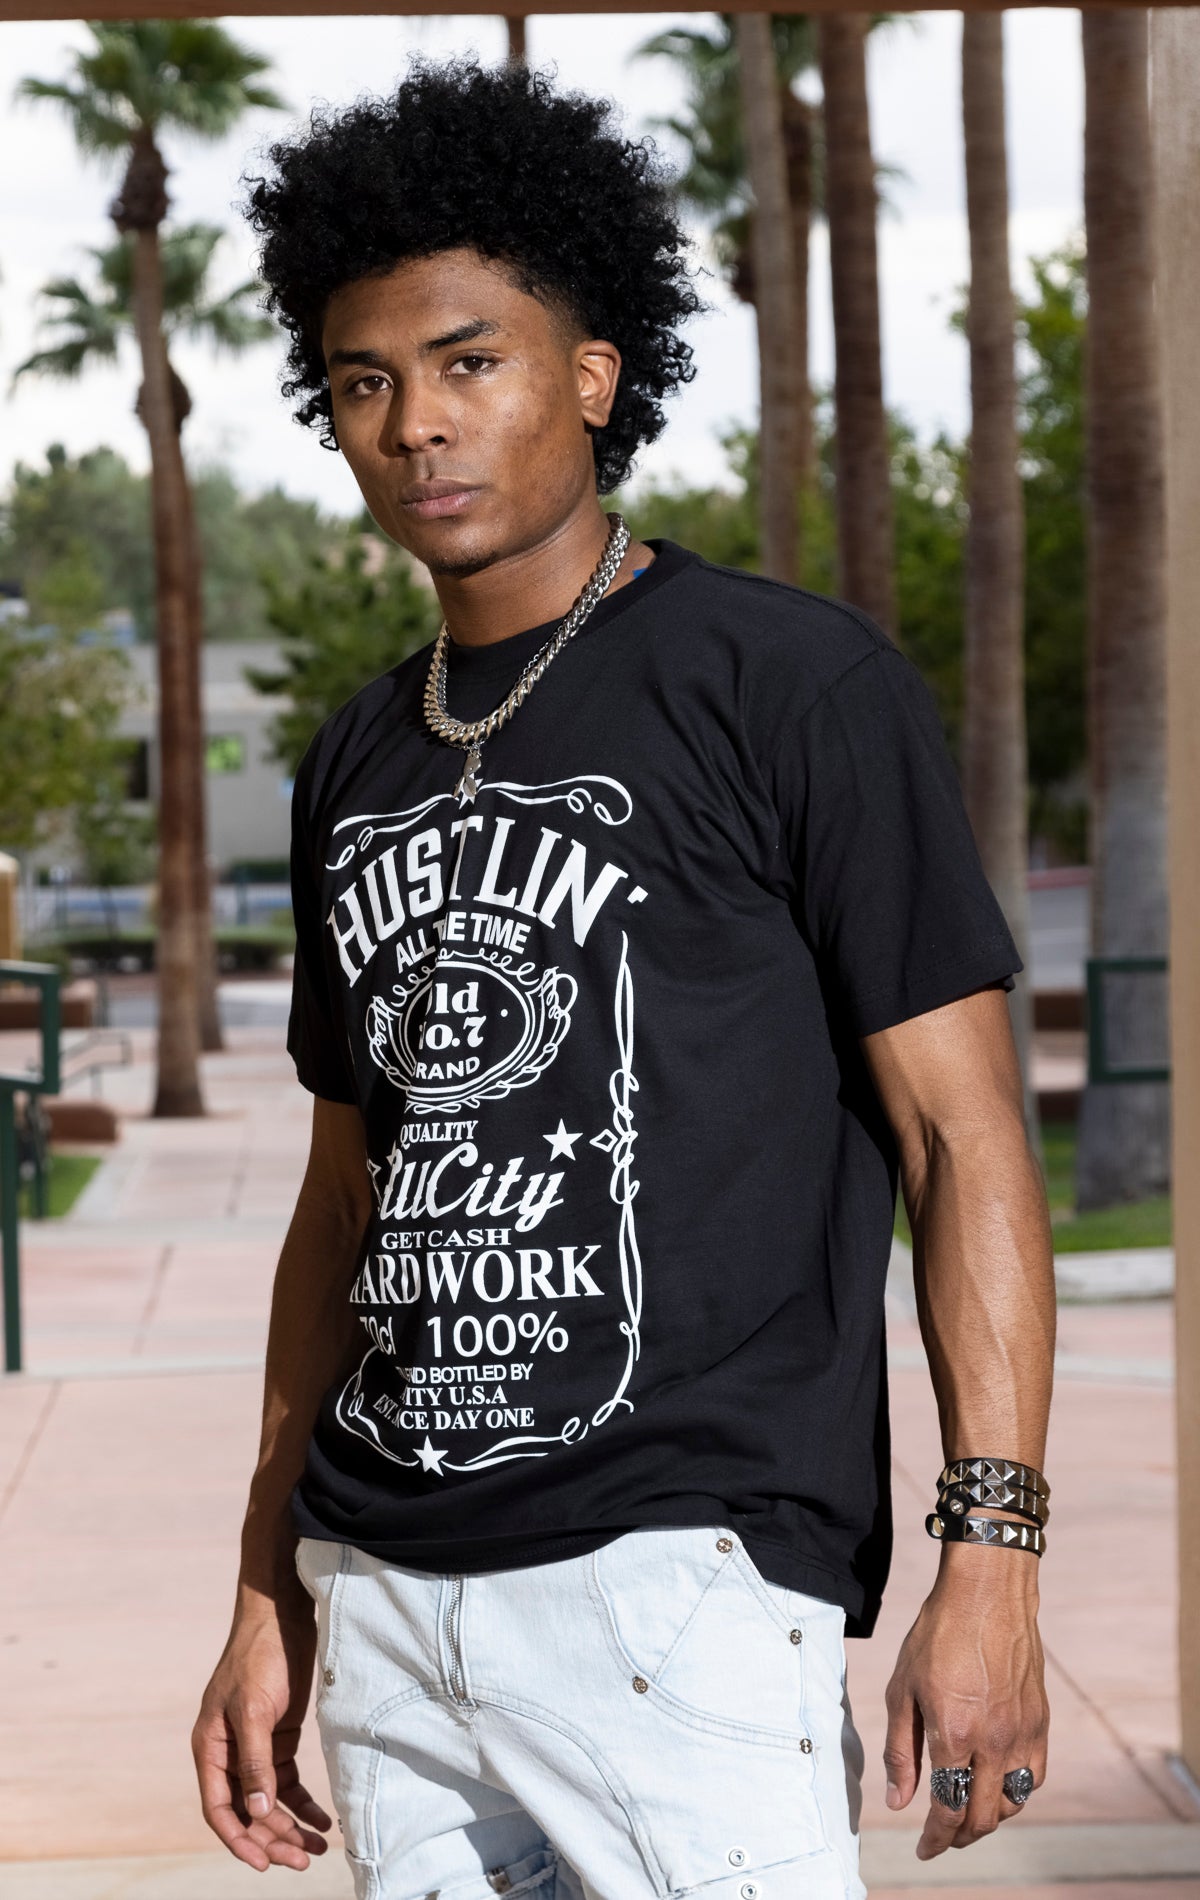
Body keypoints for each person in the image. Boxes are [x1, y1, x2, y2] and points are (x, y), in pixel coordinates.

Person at [193, 56, 1055, 1899]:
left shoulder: (791, 688)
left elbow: (964, 1136)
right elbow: (348, 1202)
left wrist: (990, 1557)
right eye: (365, 381)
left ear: (592, 377)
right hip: (392, 1601)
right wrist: (270, 1586)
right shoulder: (357, 754)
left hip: (675, 1581)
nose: (416, 424)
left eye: (469, 361)